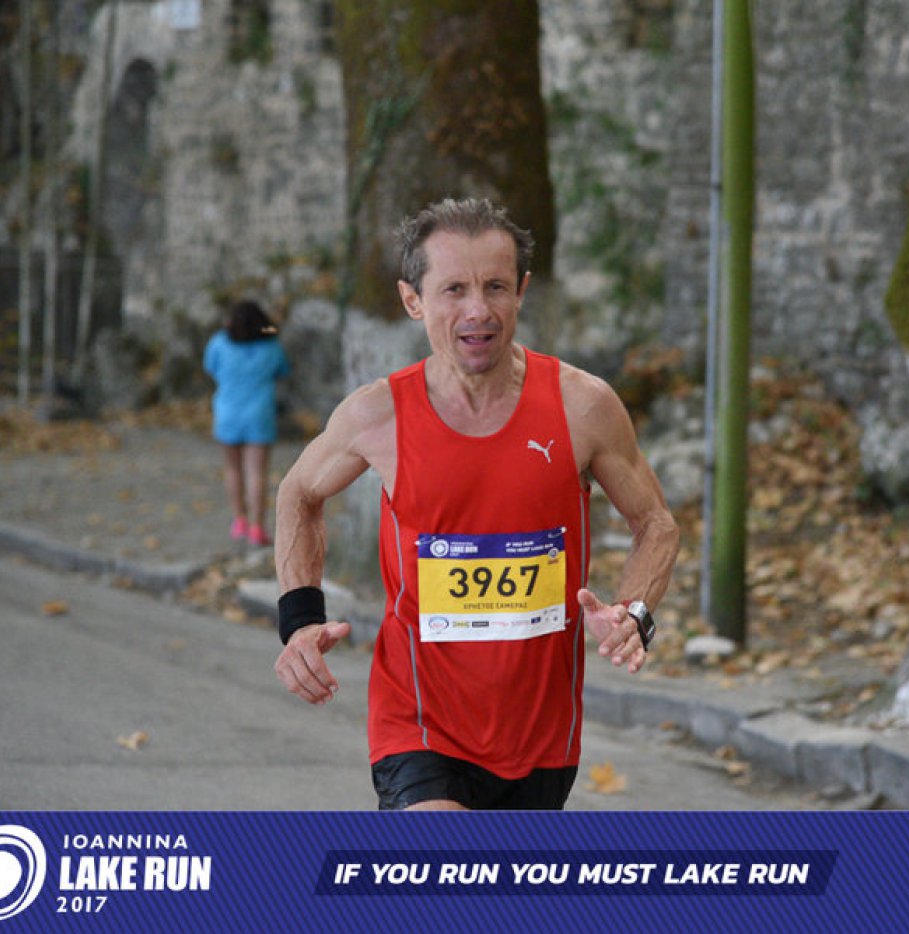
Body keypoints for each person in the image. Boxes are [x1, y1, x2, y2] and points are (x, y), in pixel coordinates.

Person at [272, 198, 678, 810]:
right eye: (454, 289)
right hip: (418, 722)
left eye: (495, 287)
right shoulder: (378, 415)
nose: (478, 311)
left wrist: (633, 613)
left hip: (540, 733)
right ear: (413, 300)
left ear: (522, 292)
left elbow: (656, 523)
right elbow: (298, 493)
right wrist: (300, 620)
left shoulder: (582, 406)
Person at [203, 299, 290, 547]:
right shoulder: (271, 346)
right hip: (260, 415)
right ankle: (257, 527)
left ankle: (239, 520)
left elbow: (210, 368)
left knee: (233, 469)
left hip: (227, 413)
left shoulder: (219, 342)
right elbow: (283, 370)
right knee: (257, 473)